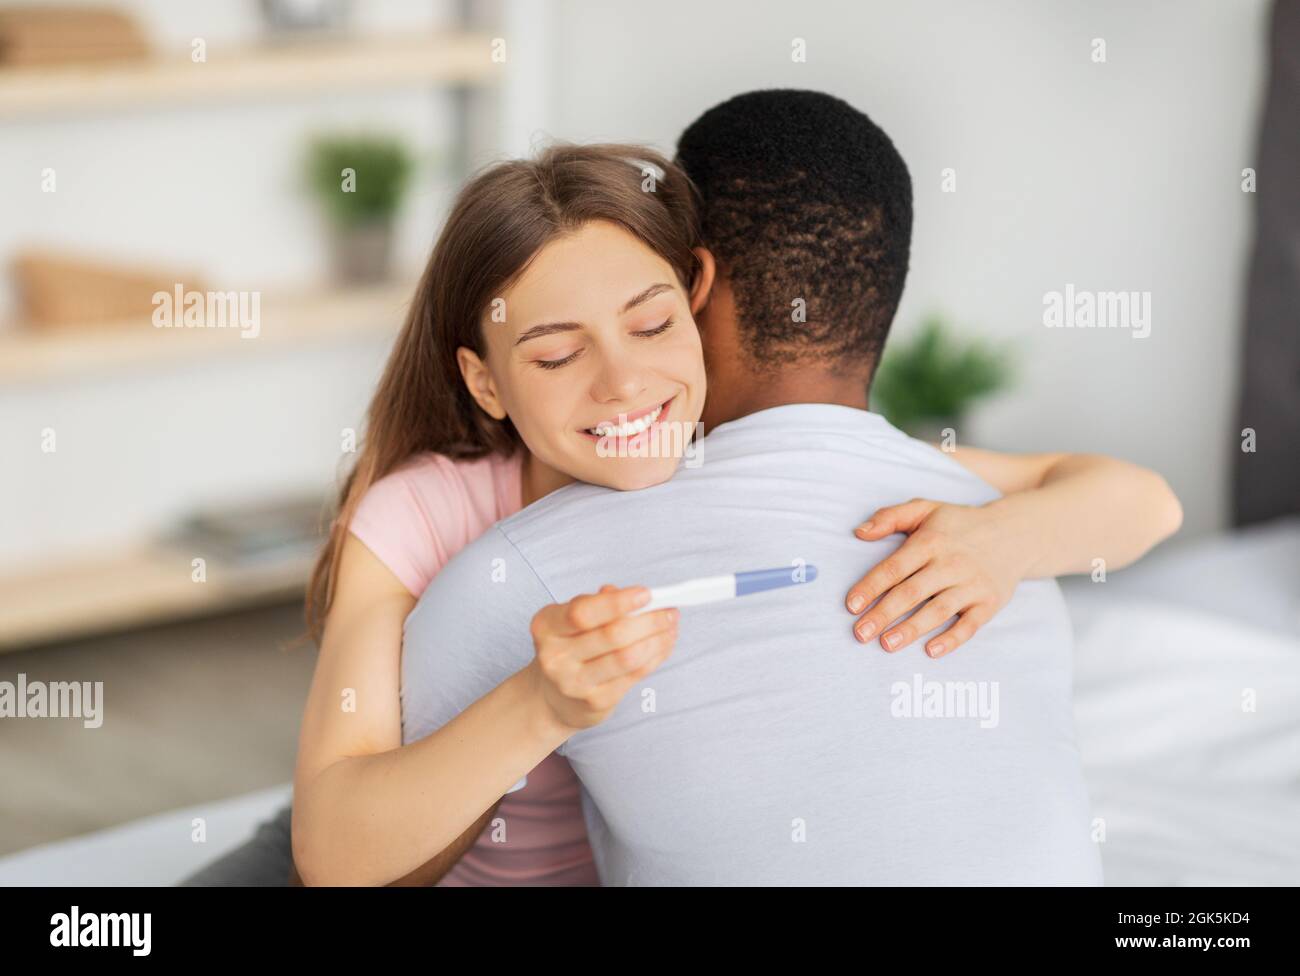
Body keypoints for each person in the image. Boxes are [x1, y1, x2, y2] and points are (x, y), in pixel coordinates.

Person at [182, 97, 1180, 887]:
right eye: (558, 351)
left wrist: (1008, 540)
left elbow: (1133, 501)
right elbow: (337, 848)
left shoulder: (726, 453)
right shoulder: (424, 516)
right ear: (487, 380)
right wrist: (540, 703)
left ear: (695, 299)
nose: (619, 383)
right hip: (389, 824)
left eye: (652, 327)